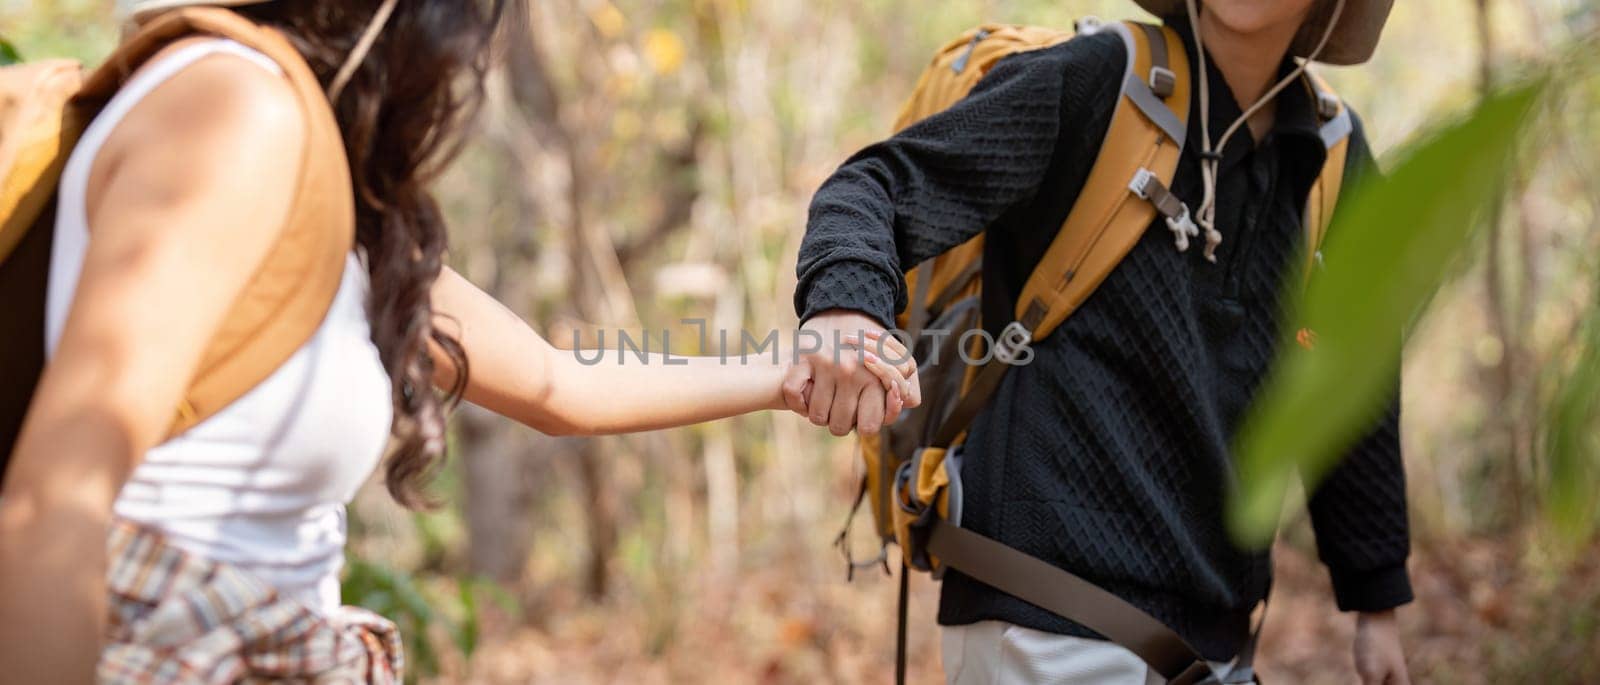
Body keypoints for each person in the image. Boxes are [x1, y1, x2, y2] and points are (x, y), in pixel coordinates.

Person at [0, 1, 916, 681]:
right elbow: (52, 504)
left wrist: (793, 375)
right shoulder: (240, 110)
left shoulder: (326, 178)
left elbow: (561, 388)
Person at [788, 0, 1413, 683]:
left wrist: (1375, 599)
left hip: (1219, 640)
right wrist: (847, 303)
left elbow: (1355, 379)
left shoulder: (1330, 156)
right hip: (1040, 617)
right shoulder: (1099, 83)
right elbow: (877, 186)